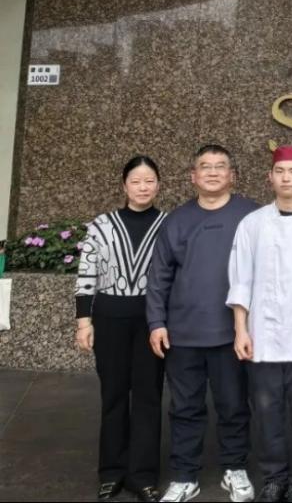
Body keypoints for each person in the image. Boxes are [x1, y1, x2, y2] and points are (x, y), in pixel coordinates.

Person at [146, 144, 260, 503]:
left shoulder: (252, 216)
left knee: (234, 406)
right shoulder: (176, 220)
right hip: (183, 335)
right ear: (193, 176)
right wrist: (156, 322)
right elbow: (159, 276)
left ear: (233, 175)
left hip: (233, 334)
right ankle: (184, 476)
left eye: (220, 166)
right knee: (184, 408)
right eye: (205, 167)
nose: (212, 172)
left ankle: (235, 468)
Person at [227, 146, 292, 503]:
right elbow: (240, 279)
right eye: (280, 171)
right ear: (270, 177)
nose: (286, 178)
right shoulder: (252, 224)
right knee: (266, 412)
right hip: (263, 336)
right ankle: (273, 477)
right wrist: (241, 329)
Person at [75, 155, 168, 502]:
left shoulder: (168, 224)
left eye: (149, 181)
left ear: (158, 185)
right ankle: (111, 471)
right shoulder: (101, 225)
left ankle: (143, 475)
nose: (143, 187)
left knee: (148, 396)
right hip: (109, 319)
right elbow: (87, 274)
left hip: (152, 321)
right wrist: (84, 322)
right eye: (135, 181)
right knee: (113, 395)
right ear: (124, 185)